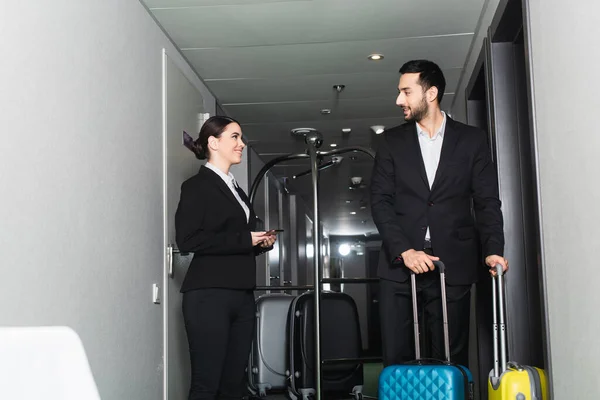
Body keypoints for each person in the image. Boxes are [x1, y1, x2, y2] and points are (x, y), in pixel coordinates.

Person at [369, 59, 508, 368]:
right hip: (399, 267)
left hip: (453, 263)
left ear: (430, 93)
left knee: (449, 359)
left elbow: (487, 201)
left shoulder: (472, 140)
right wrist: (405, 250)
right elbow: (380, 201)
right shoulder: (391, 141)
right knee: (398, 361)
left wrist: (493, 250)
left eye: (406, 92)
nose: (398, 100)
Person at [175, 115, 276, 400]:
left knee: (233, 384)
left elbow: (232, 240)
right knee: (207, 384)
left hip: (241, 295)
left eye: (241, 138)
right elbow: (188, 240)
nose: (241, 144)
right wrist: (245, 239)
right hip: (208, 295)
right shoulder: (197, 186)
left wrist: (259, 243)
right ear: (213, 142)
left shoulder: (235, 188)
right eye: (235, 137)